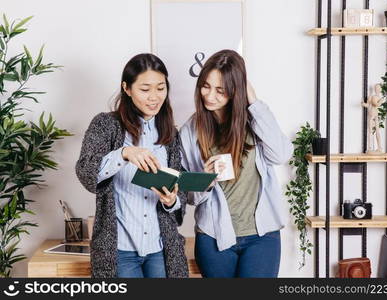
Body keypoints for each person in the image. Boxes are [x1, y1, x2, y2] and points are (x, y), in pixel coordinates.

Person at [179, 49, 293, 278]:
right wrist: (204, 180)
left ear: (235, 91)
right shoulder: (190, 130)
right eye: (206, 86)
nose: (210, 95)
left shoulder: (254, 121)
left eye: (220, 90)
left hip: (262, 236)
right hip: (214, 236)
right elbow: (189, 196)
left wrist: (254, 101)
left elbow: (281, 154)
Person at [75, 53, 188, 278]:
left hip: (161, 247)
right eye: (145, 89)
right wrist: (124, 153)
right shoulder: (105, 125)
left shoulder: (170, 133)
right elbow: (86, 171)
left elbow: (179, 186)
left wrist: (172, 200)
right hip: (120, 250)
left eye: (161, 88)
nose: (154, 97)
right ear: (126, 88)